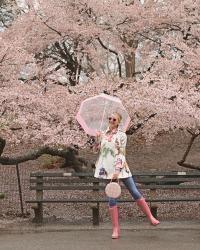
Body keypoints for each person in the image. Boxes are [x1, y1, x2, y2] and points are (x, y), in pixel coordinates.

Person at [93, 112, 159, 239]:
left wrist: (117, 170)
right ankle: (115, 229)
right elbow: (96, 151)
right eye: (110, 118)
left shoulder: (122, 135)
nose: (111, 120)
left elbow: (121, 153)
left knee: (134, 191)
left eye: (114, 119)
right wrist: (96, 139)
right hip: (107, 169)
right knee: (112, 197)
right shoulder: (102, 134)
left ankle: (150, 217)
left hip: (121, 169)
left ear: (118, 122)